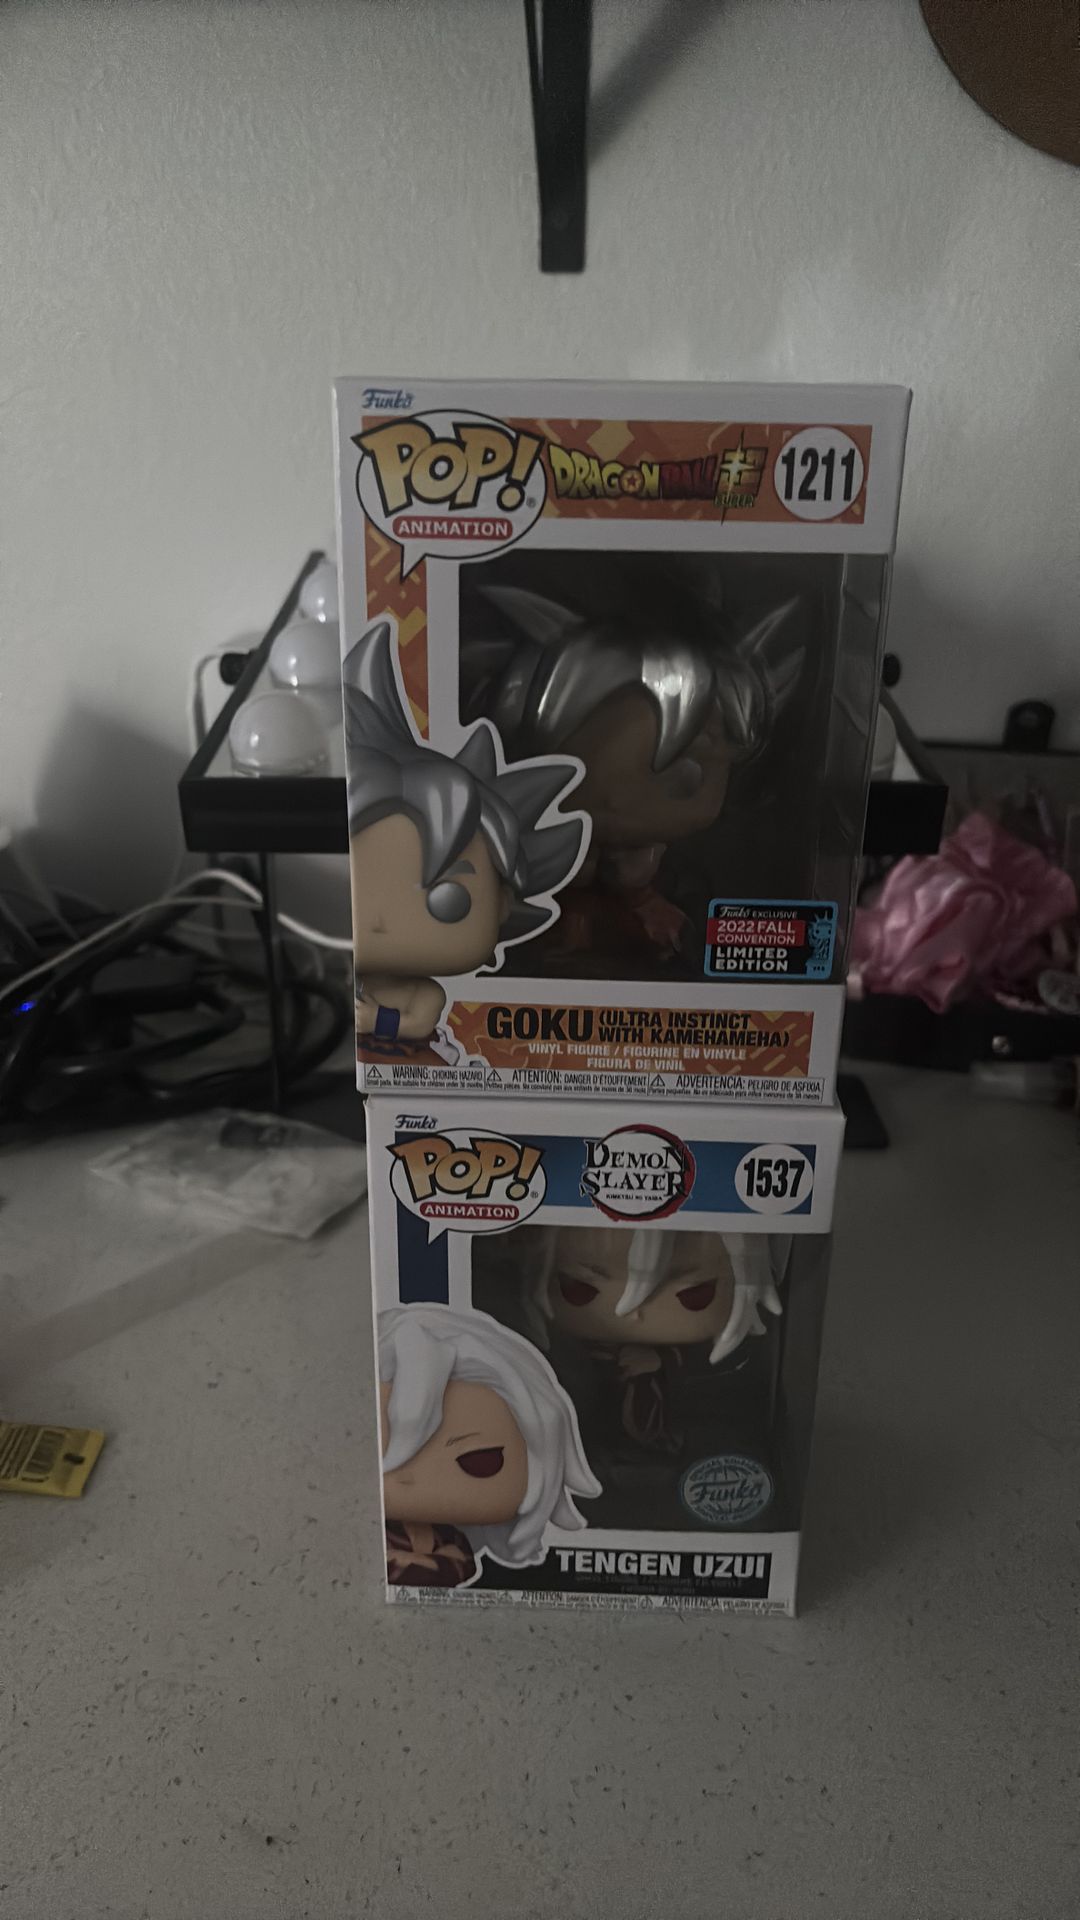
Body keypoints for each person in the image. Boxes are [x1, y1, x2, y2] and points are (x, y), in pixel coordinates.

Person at [345, 620, 587, 1055]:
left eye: (448, 899)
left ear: (503, 904)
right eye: (356, 888)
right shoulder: (354, 975)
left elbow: (421, 1024)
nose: (381, 921)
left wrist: (376, 1020)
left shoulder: (425, 993)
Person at [378, 1305, 600, 1588]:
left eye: (478, 1460)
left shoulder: (450, 1538)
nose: (407, 1476)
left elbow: (459, 1565)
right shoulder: (374, 1535)